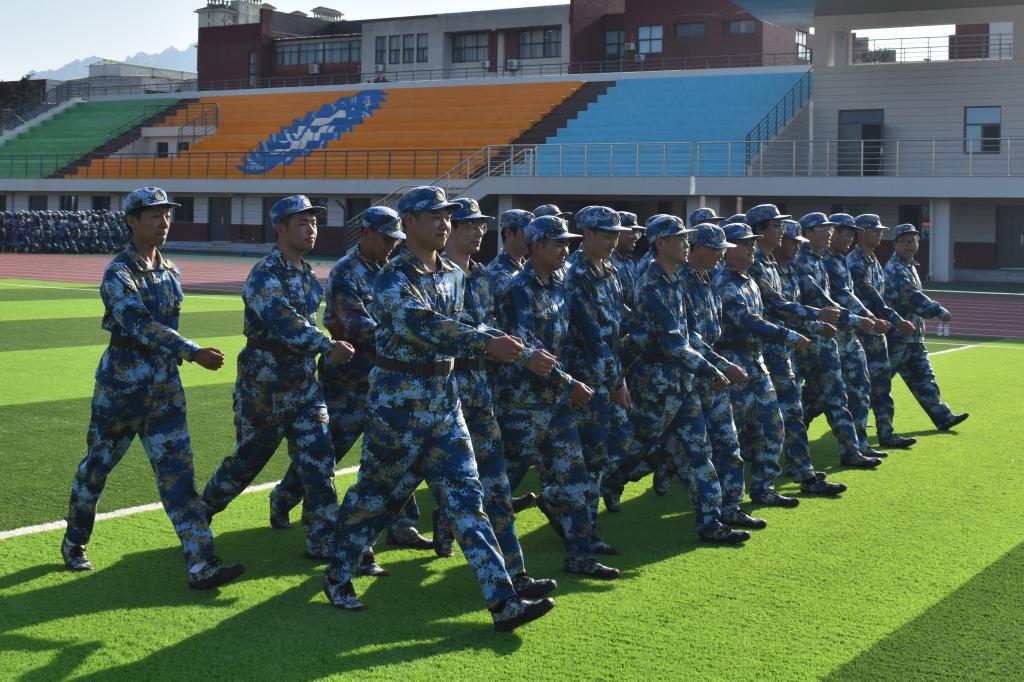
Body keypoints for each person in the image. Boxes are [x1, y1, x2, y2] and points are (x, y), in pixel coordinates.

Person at [323, 186, 555, 632]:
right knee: (374, 495)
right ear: (408, 222)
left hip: (445, 404)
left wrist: (521, 352)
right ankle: (338, 573)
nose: (444, 223)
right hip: (399, 406)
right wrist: (485, 343)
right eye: (434, 216)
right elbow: (423, 324)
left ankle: (504, 602)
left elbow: (467, 323)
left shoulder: (452, 273)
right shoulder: (392, 277)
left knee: (469, 502)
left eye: (447, 216)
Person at [61, 187, 243, 589]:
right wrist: (192, 351)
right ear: (132, 221)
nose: (164, 222)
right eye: (154, 215)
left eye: (167, 215)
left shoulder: (171, 270)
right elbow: (139, 324)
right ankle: (75, 541)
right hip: (122, 388)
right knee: (97, 467)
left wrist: (181, 355)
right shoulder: (118, 272)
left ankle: (201, 563)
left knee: (179, 477)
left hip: (164, 389)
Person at [203, 195, 354, 559]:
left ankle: (321, 540)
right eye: (302, 223)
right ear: (280, 229)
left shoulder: (307, 274)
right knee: (247, 461)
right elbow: (283, 321)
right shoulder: (265, 274)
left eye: (314, 222)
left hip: (303, 383)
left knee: (319, 459)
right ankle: (198, 515)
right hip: (265, 385)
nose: (311, 229)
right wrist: (326, 345)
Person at [268, 206, 416, 576]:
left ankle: (401, 523)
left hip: (386, 377)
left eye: (396, 240)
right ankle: (284, 496)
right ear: (366, 234)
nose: (392, 246)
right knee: (329, 451)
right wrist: (406, 337)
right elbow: (355, 323)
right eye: (387, 239)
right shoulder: (346, 272)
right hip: (349, 380)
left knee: (396, 450)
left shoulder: (391, 270)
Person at [435, 197, 558, 599]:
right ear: (451, 227)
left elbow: (498, 332)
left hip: (478, 391)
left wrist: (518, 353)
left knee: (496, 486)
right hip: (436, 396)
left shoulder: (485, 276)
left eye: (481, 224)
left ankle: (515, 577)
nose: (478, 231)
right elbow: (457, 330)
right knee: (390, 483)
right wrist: (521, 354)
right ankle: (346, 557)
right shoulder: (433, 275)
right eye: (469, 224)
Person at [496, 214, 621, 579]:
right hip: (522, 404)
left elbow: (588, 333)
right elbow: (529, 350)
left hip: (555, 403)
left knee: (576, 479)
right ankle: (478, 546)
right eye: (557, 244)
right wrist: (570, 383)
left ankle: (581, 556)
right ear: (536, 247)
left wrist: (611, 379)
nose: (565, 250)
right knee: (501, 484)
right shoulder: (518, 289)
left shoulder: (562, 285)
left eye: (567, 243)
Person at [619, 215, 751, 544]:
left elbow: (691, 338)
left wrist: (718, 365)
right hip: (657, 385)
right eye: (679, 238)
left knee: (699, 451)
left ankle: (712, 521)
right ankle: (585, 491)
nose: (685, 244)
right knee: (631, 449)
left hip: (683, 382)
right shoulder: (652, 284)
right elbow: (674, 343)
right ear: (660, 243)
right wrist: (714, 371)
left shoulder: (676, 279)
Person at [745, 205, 848, 495]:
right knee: (753, 423)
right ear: (760, 230)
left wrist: (813, 324)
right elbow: (776, 305)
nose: (781, 231)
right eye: (776, 226)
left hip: (780, 353)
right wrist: (816, 315)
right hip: (760, 355)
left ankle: (804, 476)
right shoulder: (756, 265)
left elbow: (785, 310)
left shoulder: (771, 264)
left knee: (789, 415)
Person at [714, 222, 808, 509]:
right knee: (731, 436)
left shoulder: (750, 280)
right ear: (728, 249)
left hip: (757, 363)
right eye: (744, 244)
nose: (751, 248)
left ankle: (764, 487)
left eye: (752, 243)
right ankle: (726, 501)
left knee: (773, 427)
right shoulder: (725, 283)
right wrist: (787, 335)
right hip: (735, 365)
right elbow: (747, 320)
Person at [563, 205, 633, 555]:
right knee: (591, 459)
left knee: (618, 444)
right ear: (587, 234)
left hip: (609, 375)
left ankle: (570, 511)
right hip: (588, 380)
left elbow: (618, 322)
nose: (612, 241)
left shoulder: (610, 270)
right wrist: (617, 383)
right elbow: (592, 336)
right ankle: (584, 532)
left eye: (615, 235)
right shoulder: (577, 275)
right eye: (606, 235)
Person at [793, 213, 884, 469]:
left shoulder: (824, 259)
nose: (829, 233)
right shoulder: (804, 261)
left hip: (835, 336)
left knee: (842, 392)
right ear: (807, 233)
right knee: (818, 397)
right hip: (812, 338)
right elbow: (822, 299)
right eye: (823, 229)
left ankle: (854, 447)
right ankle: (789, 450)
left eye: (830, 229)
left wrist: (858, 318)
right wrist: (859, 318)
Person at [883, 224, 969, 431]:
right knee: (880, 381)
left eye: (913, 241)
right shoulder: (895, 269)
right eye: (905, 242)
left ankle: (943, 417)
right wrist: (937, 310)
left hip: (913, 337)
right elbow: (912, 295)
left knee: (924, 376)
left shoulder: (910, 266)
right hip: (897, 337)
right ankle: (853, 416)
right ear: (895, 244)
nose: (910, 246)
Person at [846, 214, 919, 448]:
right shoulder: (855, 262)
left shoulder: (873, 259)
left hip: (877, 334)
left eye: (880, 230)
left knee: (881, 385)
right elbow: (873, 299)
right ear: (861, 233)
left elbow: (881, 298)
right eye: (874, 230)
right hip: (861, 333)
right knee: (854, 390)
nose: (880, 234)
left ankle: (886, 433)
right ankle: (856, 442)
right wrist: (898, 320)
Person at [821, 213, 890, 459]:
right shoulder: (825, 261)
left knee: (861, 388)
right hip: (830, 337)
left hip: (849, 335)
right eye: (846, 234)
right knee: (818, 397)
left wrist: (865, 318)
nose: (850, 239)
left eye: (853, 234)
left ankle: (859, 444)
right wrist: (867, 317)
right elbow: (841, 296)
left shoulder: (840, 260)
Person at [487, 209, 533, 301]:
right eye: (527, 232)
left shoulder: (527, 266)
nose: (532, 237)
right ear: (508, 233)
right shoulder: (497, 273)